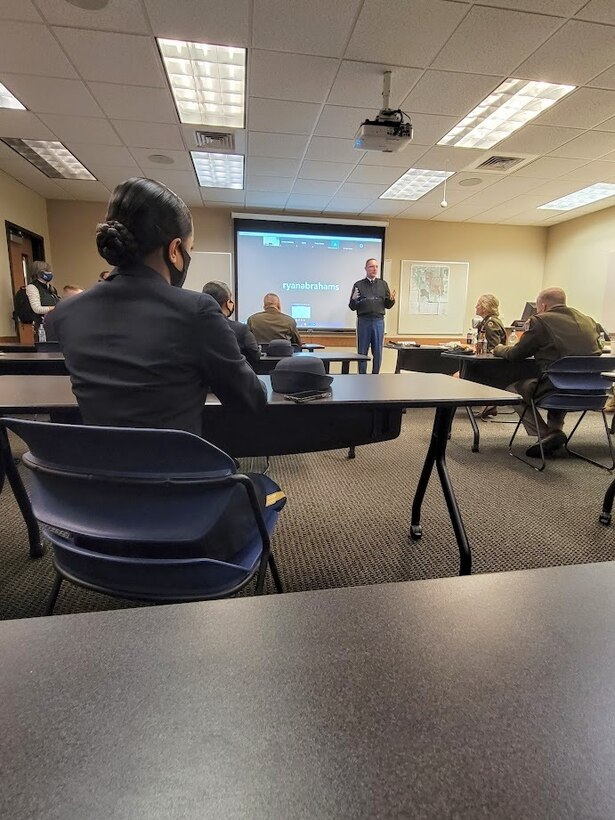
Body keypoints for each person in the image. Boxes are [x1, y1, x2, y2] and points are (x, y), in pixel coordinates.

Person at [52, 177, 268, 437]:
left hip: (95, 473)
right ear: (175, 250)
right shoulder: (197, 311)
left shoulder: (65, 313)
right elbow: (251, 400)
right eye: (190, 249)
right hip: (179, 475)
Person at [493, 287, 602, 457]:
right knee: (563, 378)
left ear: (542, 305)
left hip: (557, 389)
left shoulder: (540, 321)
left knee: (513, 390)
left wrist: (498, 348)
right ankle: (555, 429)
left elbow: (516, 354)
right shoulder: (590, 321)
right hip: (594, 391)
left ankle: (547, 434)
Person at [349, 258, 396, 374]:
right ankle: (362, 377)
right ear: (366, 269)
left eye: (376, 266)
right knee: (362, 352)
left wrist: (391, 300)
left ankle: (376, 376)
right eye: (371, 266)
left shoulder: (383, 284)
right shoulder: (358, 284)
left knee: (378, 351)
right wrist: (354, 299)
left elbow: (387, 305)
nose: (374, 269)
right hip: (364, 321)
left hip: (378, 321)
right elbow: (352, 306)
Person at [202, 280, 261, 370]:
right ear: (228, 303)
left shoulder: (192, 326)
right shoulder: (241, 329)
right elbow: (255, 355)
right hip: (232, 379)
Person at [472, 293, 507, 419]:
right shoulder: (488, 321)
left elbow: (494, 348)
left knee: (457, 376)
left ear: (485, 307)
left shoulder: (491, 323)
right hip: (491, 366)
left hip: (491, 367)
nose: (476, 306)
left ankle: (489, 405)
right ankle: (489, 406)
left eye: (478, 304)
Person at [25, 261, 60, 332]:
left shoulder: (51, 288)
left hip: (56, 323)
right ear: (38, 273)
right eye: (46, 271)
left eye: (49, 271)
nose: (49, 273)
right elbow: (37, 309)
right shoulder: (32, 287)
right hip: (42, 326)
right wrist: (55, 308)